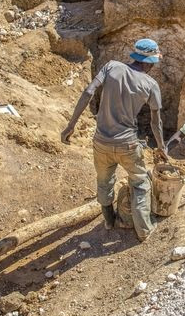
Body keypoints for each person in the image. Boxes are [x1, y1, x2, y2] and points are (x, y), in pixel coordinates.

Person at [61, 38, 167, 242]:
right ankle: (144, 231)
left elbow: (88, 92)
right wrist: (161, 147)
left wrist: (71, 125)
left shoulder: (111, 66)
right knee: (140, 183)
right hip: (127, 143)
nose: (154, 66)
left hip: (101, 142)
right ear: (150, 62)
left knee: (104, 181)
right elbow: (156, 123)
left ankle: (109, 221)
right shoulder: (151, 85)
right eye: (154, 62)